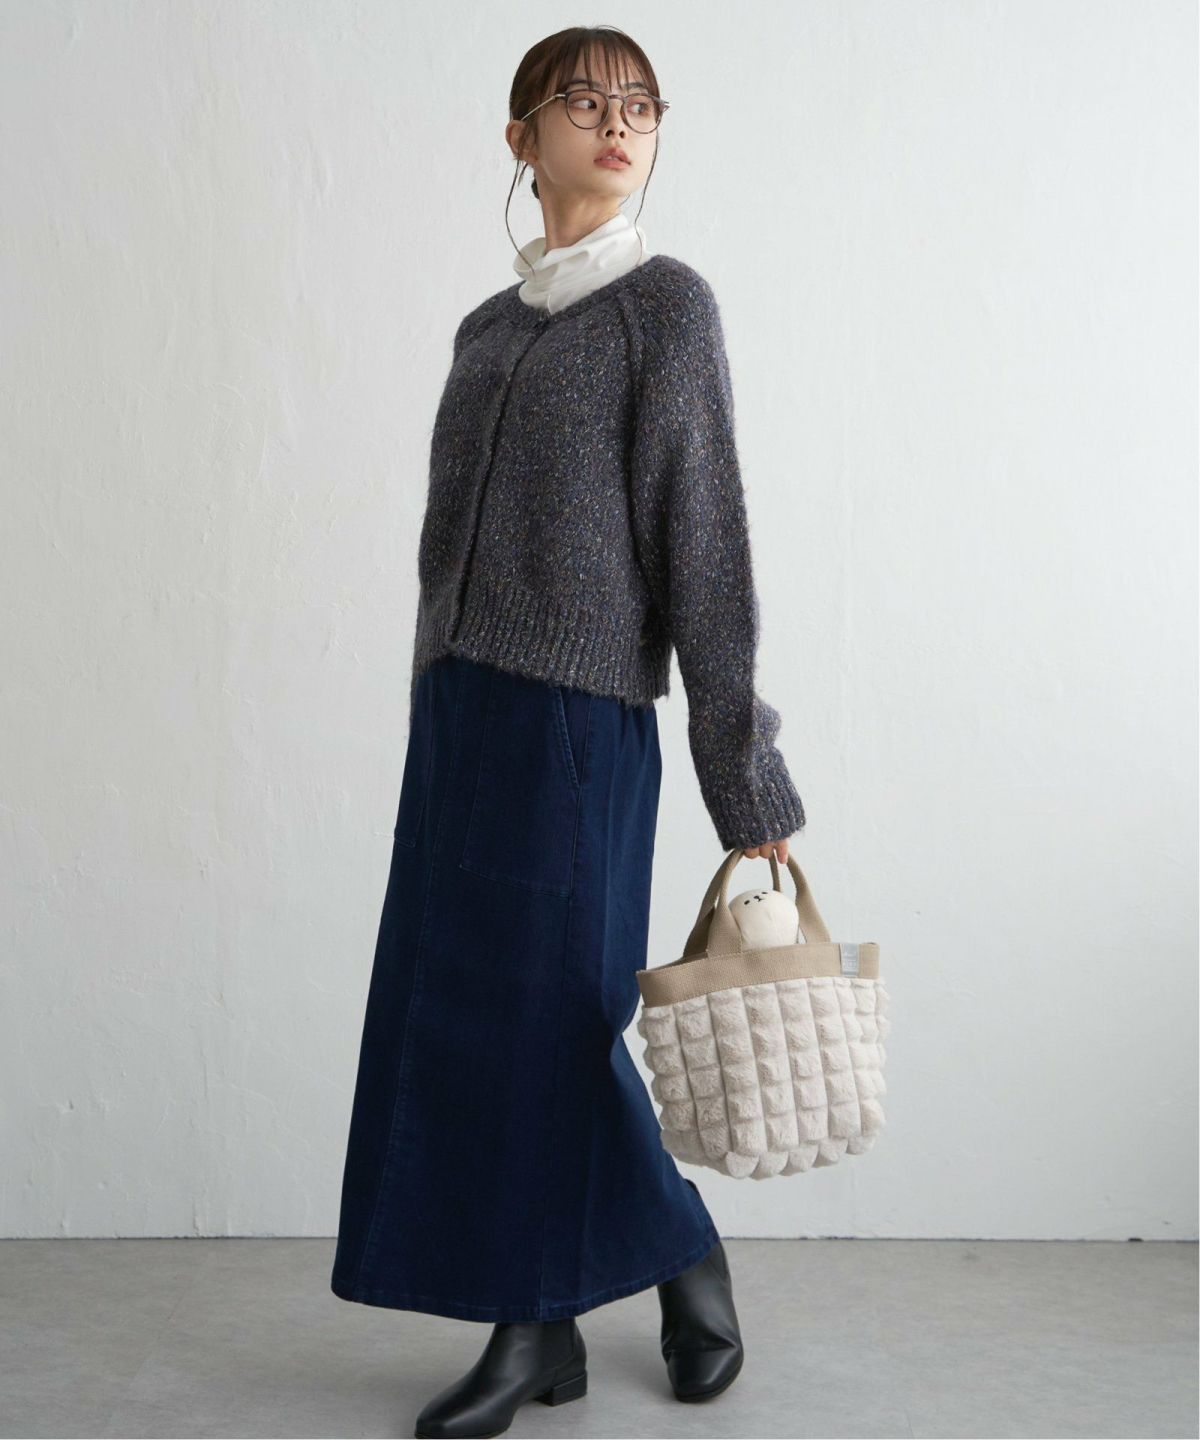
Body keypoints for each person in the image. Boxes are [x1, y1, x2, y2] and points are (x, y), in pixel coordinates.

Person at [330, 25, 806, 1439]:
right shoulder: (491, 329)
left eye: (640, 103)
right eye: (582, 99)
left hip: (580, 720)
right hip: (463, 711)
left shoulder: (667, 309)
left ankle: (656, 1258)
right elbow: (443, 539)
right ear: (520, 137)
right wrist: (433, 687)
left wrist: (746, 777)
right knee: (464, 1017)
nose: (617, 121)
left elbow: (704, 545)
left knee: (552, 1019)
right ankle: (541, 1323)